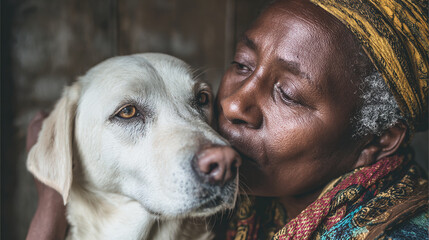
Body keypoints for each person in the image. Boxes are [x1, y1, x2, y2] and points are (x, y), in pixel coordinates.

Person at [26, 0, 428, 239]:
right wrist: (55, 187)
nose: (234, 106)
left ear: (377, 141)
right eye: (241, 64)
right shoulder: (247, 207)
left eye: (287, 94)